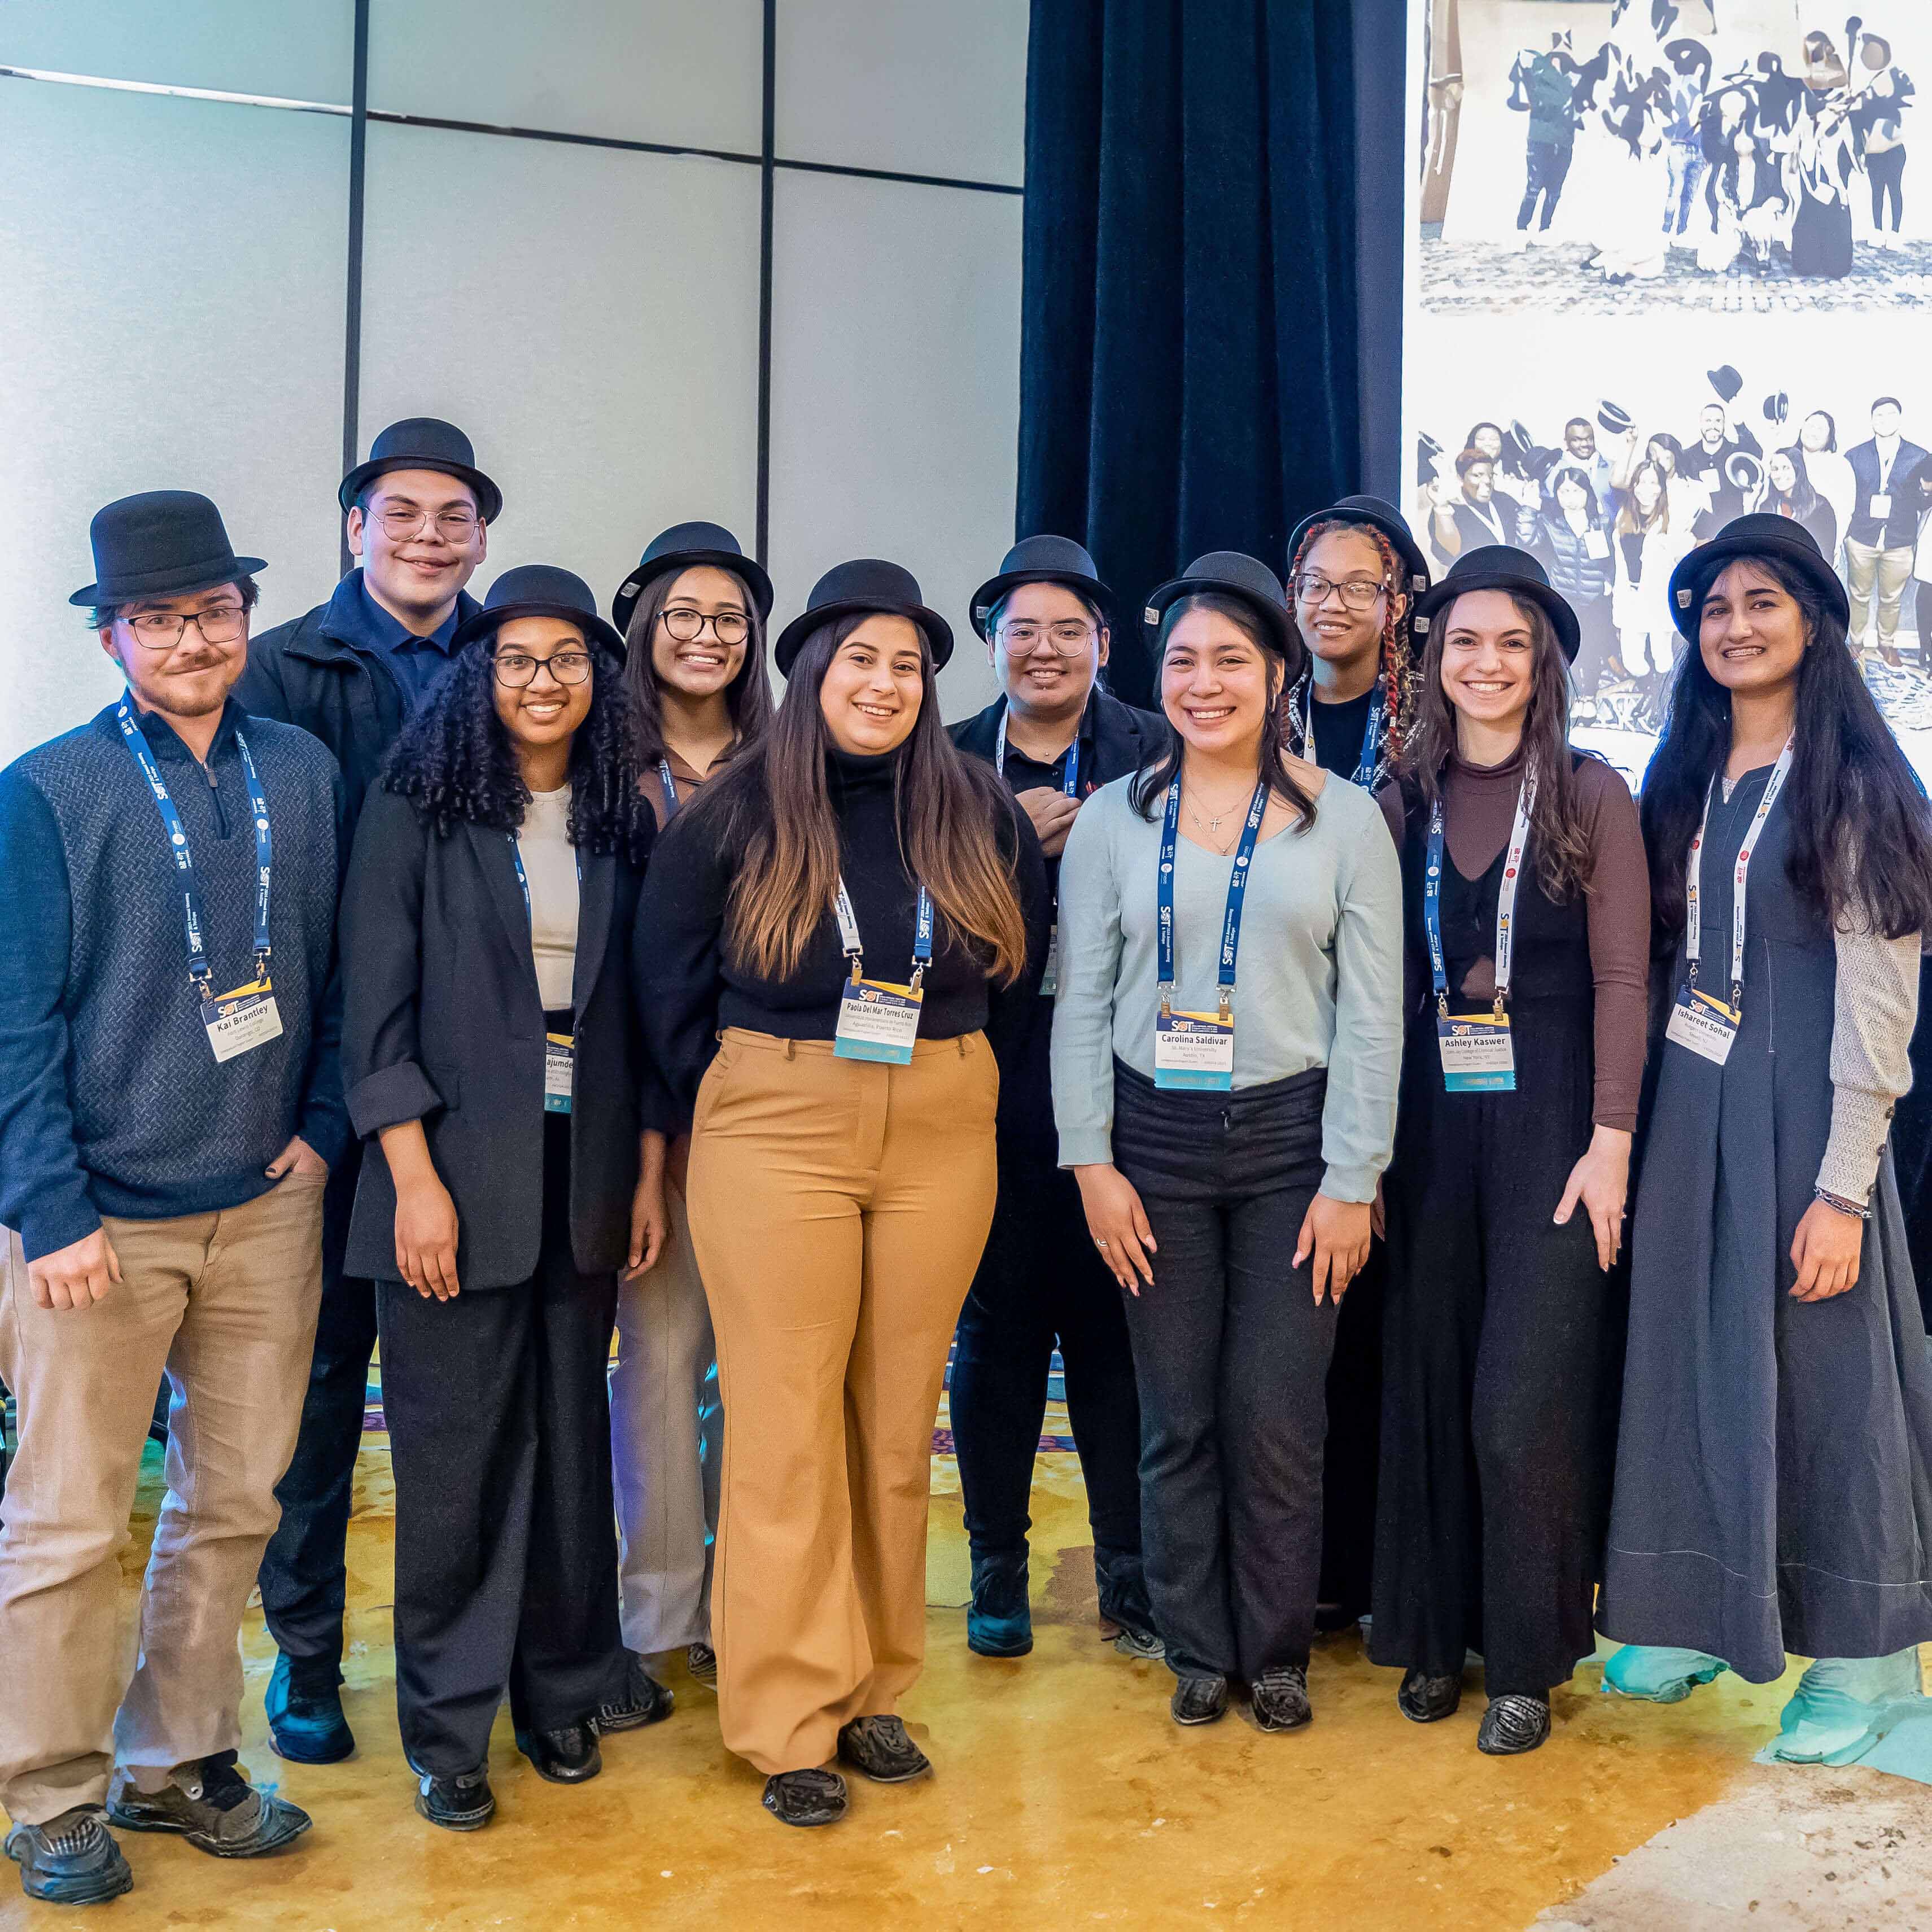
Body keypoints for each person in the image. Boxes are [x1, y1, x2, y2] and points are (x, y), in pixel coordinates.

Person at [636, 558, 1048, 1828]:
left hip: (941, 1119)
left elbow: (1017, 980)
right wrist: (758, 1088)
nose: (884, 683)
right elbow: (667, 989)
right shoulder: (738, 811)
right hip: (777, 1122)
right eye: (860, 659)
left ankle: (873, 1688)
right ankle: (784, 1717)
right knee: (783, 1420)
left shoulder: (977, 809)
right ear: (813, 670)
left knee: (891, 1419)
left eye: (907, 664)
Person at [0, 493, 346, 1904]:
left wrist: (323, 1125)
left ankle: (178, 1758)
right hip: (97, 1220)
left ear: (246, 621)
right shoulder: (45, 790)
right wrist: (50, 1207)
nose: (193, 637)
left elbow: (334, 974)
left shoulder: (306, 771)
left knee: (234, 1500)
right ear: (111, 636)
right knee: (71, 1517)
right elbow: (15, 1020)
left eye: (214, 611)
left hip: (265, 1204)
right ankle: (50, 1785)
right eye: (160, 617)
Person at [339, 566, 670, 1830]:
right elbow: (372, 1019)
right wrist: (412, 1180)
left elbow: (636, 1018)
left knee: (572, 1450)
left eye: (569, 660)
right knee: (456, 1461)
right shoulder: (415, 807)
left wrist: (642, 1170)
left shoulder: (617, 819)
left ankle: (563, 1692)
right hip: (446, 1184)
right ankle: (449, 1723)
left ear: (601, 679)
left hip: (580, 1171)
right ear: (478, 675)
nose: (544, 681)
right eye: (518, 658)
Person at [1053, 552, 1403, 1733]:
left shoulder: (1344, 819)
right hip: (1150, 1137)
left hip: (1292, 1146)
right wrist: (1090, 1162)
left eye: (1231, 662)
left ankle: (1276, 1643)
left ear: (1277, 674)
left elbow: (1371, 1014)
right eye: (1184, 661)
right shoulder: (1114, 817)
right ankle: (1199, 1645)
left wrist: (1353, 1177)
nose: (1204, 683)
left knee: (1276, 1410)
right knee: (1177, 1411)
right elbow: (1082, 1000)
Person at [1600, 516, 1932, 1721]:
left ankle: (1864, 1656)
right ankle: (1694, 1606)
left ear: (1813, 622)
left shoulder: (1858, 782)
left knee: (1826, 1372)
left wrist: (1842, 1187)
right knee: (1686, 1355)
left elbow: (1879, 1005)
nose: (1732, 626)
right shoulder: (1681, 773)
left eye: (1760, 603)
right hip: (1691, 1108)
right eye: (1713, 607)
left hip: (1807, 1119)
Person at [234, 416, 499, 1764]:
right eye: (403, 513)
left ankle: (458, 1660)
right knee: (321, 1385)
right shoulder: (280, 669)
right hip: (325, 1086)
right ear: (355, 526)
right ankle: (308, 1654)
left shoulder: (521, 664)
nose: (429, 536)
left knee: (463, 1397)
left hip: (490, 1083)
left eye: (455, 516)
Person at [1371, 545, 1648, 1756]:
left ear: (1543, 666)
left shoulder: (1592, 794)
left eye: (1512, 644)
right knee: (1427, 1379)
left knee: (1517, 1398)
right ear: (1433, 659)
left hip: (1552, 1120)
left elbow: (1624, 980)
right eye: (1464, 642)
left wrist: (1611, 1142)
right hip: (1425, 1122)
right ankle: (1437, 1637)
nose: (1486, 664)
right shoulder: (1397, 799)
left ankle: (1526, 1656)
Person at [946, 536, 1164, 1662]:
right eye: (1021, 629)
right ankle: (995, 1565)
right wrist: (1006, 851)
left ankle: (1129, 1571)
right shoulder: (938, 760)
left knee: (1115, 1334)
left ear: (1103, 645)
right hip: (981, 1084)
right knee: (997, 1336)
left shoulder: (1158, 752)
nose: (1043, 649)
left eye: (1066, 630)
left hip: (1127, 1087)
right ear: (991, 642)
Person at [608, 521, 775, 1687]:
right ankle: (657, 1612)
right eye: (684, 614)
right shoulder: (599, 765)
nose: (706, 636)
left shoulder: (791, 766)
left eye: (728, 618)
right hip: (639, 1103)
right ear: (644, 627)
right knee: (661, 1356)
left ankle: (746, 1600)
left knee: (764, 1363)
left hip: (773, 1110)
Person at [1282, 499, 1430, 1627]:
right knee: (1302, 1326)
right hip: (1281, 1056)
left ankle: (1386, 1574)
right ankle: (1311, 1579)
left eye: (1356, 586)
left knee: (1387, 1322)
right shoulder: (1246, 716)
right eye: (1314, 584)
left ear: (1399, 605)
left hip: (1412, 1061)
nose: (1330, 604)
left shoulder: (1434, 731)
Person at [1513, 465, 1616, 710]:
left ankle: (1589, 697)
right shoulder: (1550, 522)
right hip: (1563, 595)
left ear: (1587, 492)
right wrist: (1528, 508)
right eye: (1564, 491)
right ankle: (1566, 698)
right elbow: (1526, 539)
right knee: (1562, 647)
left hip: (1595, 598)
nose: (1570, 497)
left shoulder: (1602, 521)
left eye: (1576, 490)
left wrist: (1609, 581)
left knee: (1593, 647)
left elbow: (1615, 555)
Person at [1843, 397, 1930, 667]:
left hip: (1900, 539)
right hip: (1861, 537)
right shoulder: (1854, 455)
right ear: (1871, 421)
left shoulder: (1920, 457)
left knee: (1891, 599)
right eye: (1878, 415)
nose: (1884, 419)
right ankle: (1856, 642)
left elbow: (1925, 500)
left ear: (1901, 419)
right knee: (1858, 594)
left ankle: (1887, 645)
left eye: (1890, 414)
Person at [1611, 460, 1694, 720]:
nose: (1646, 488)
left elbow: (1685, 557)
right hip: (1631, 598)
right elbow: (1620, 563)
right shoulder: (1623, 517)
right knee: (1633, 660)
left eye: (1652, 482)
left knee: (1664, 659)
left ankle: (1664, 706)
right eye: (1641, 481)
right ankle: (1649, 688)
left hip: (1659, 600)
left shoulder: (1673, 520)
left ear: (1661, 488)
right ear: (1634, 485)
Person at [1507, 46, 1580, 246]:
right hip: (1540, 142)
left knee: (1555, 190)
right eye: (1554, 63)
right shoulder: (1536, 83)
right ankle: (1521, 230)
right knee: (1535, 186)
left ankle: (1545, 229)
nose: (1557, 68)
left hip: (1564, 144)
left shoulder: (1570, 86)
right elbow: (1523, 61)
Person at [1428, 450, 1513, 568]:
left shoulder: (1503, 501)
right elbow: (1453, 551)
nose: (1488, 481)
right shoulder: (1448, 511)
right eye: (1478, 475)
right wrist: (1441, 508)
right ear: (1461, 478)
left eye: (1491, 475)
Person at [1763, 446, 1838, 562]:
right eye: (1775, 469)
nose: (1780, 475)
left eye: (1786, 468)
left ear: (1798, 470)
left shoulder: (1820, 508)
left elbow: (1826, 557)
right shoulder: (1768, 506)